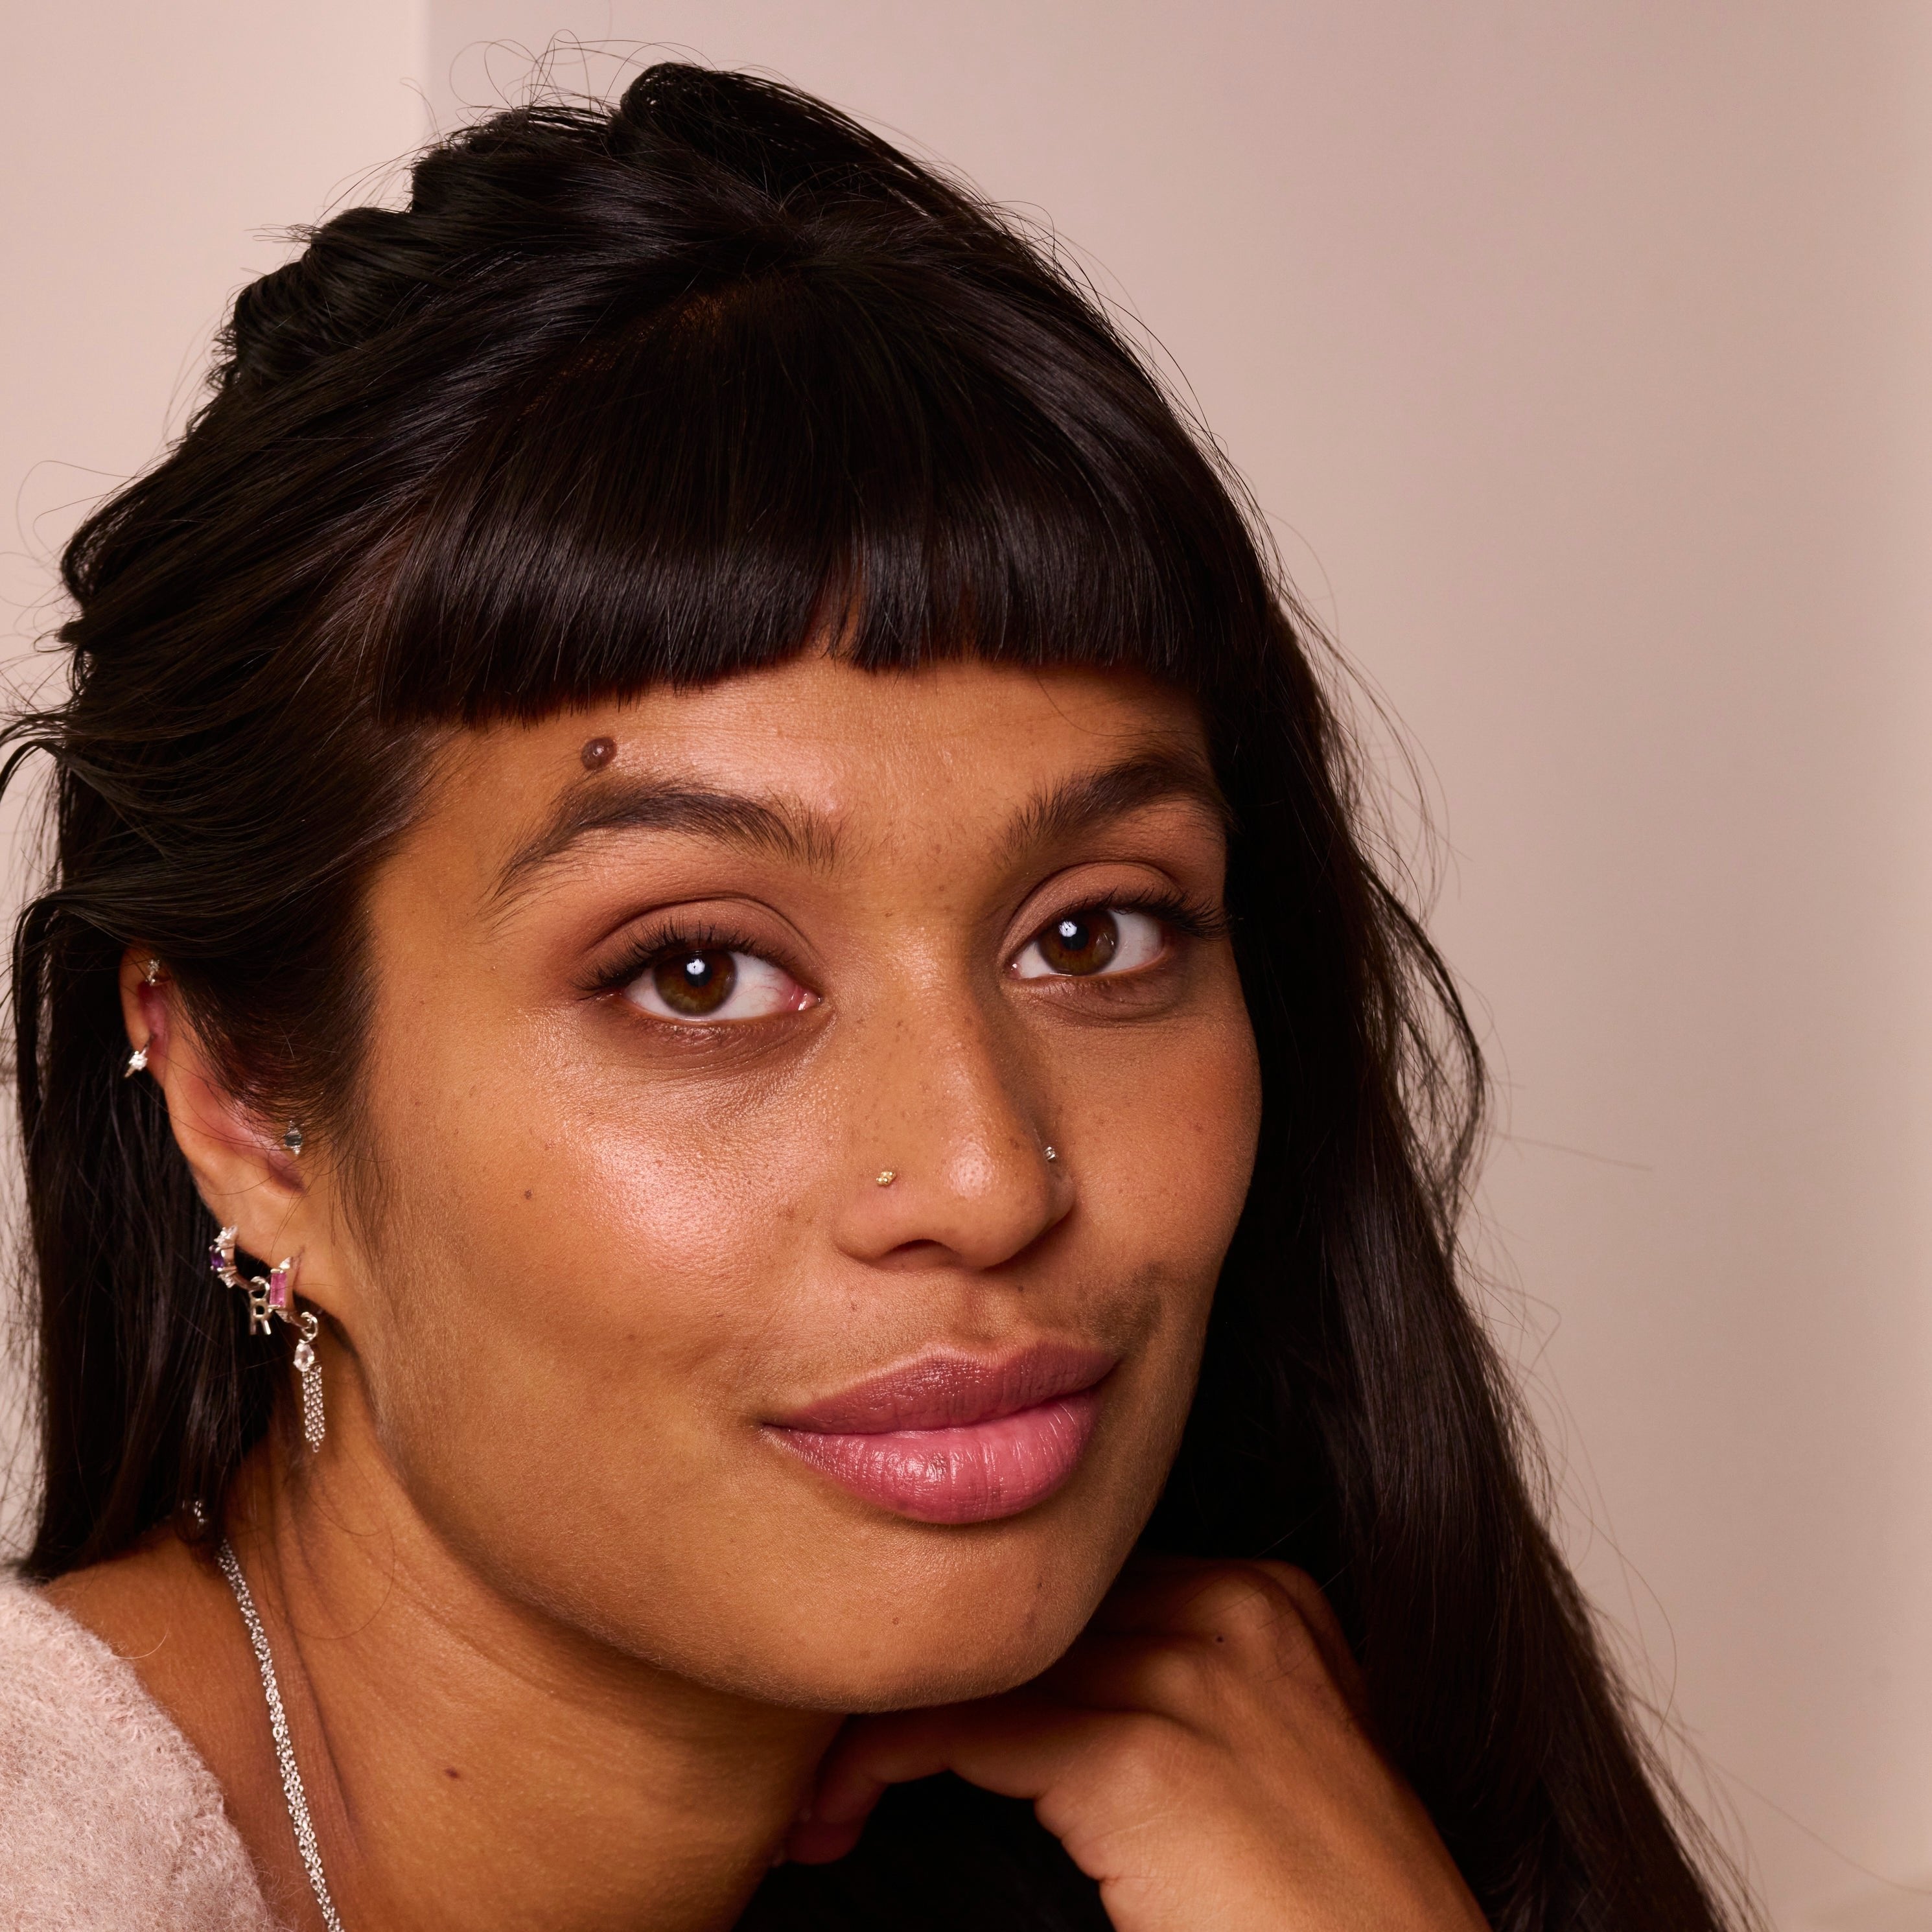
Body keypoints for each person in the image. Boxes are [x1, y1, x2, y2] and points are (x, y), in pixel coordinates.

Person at [0, 64, 1748, 1932]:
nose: (991, 1178)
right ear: (248, 1104)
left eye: (1093, 935)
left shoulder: (1202, 1822)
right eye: (698, 972)